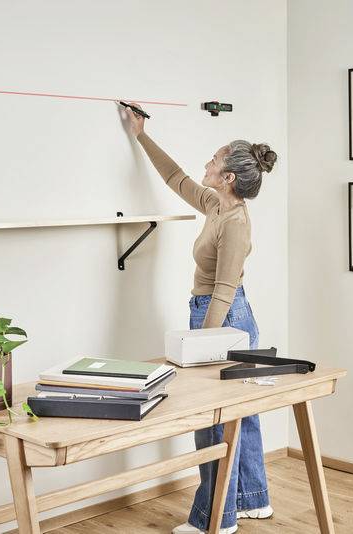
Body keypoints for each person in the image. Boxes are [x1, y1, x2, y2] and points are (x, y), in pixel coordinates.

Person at [121, 102, 278, 534]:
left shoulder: (236, 223)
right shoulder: (214, 205)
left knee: (213, 420)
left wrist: (202, 348)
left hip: (223, 318)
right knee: (239, 415)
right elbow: (175, 178)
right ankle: (253, 500)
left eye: (214, 159)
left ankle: (217, 519)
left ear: (228, 176)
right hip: (222, 315)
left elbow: (224, 292)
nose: (206, 163)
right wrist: (140, 135)